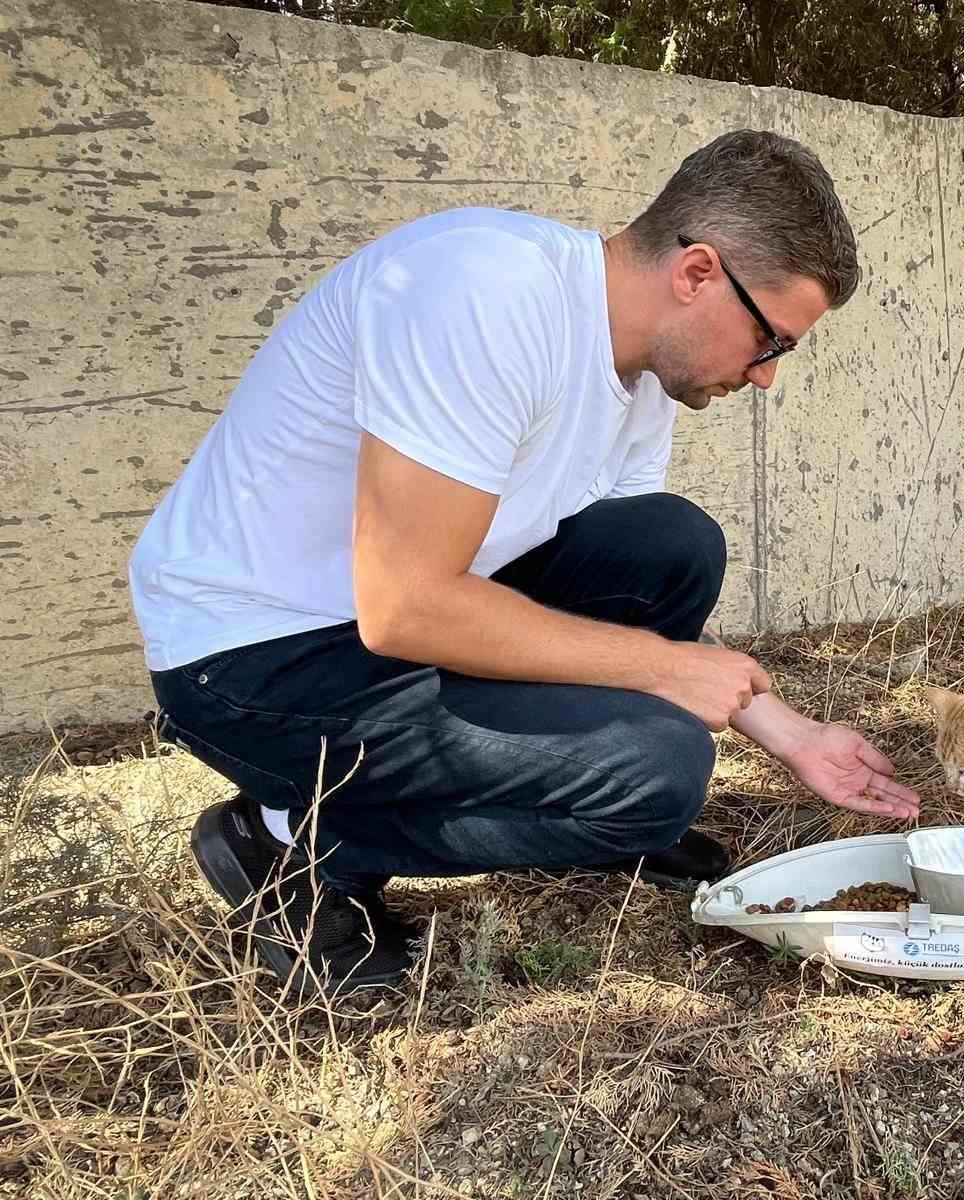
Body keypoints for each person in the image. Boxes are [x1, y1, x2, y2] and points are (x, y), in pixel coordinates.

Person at [128, 130, 922, 994]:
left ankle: (593, 809)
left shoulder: (645, 375)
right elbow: (406, 606)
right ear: (697, 273)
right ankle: (291, 848)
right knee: (662, 772)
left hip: (378, 631)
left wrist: (789, 733)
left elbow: (598, 611)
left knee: (670, 545)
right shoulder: (483, 294)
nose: (765, 377)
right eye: (771, 341)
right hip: (252, 660)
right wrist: (664, 671)